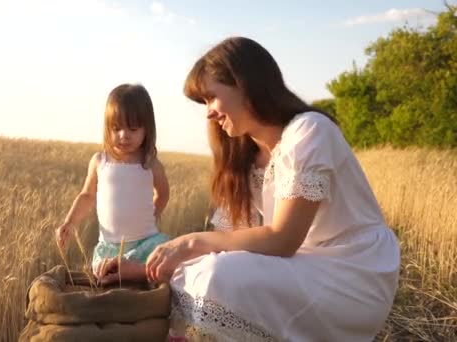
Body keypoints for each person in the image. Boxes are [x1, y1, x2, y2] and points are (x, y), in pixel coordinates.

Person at [97, 37, 400, 341]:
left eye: (211, 97)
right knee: (212, 270)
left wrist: (189, 243)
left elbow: (283, 240)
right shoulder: (243, 158)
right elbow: (229, 242)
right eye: (203, 102)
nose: (208, 113)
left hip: (351, 274)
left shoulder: (309, 130)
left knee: (217, 277)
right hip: (301, 268)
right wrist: (143, 268)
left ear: (245, 85)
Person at [55, 83, 170, 272]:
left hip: (145, 244)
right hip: (110, 247)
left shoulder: (150, 164)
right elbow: (87, 196)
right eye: (116, 128)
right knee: (108, 280)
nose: (124, 135)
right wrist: (70, 222)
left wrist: (153, 214)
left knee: (155, 274)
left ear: (146, 129)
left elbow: (163, 193)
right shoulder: (100, 162)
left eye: (132, 129)